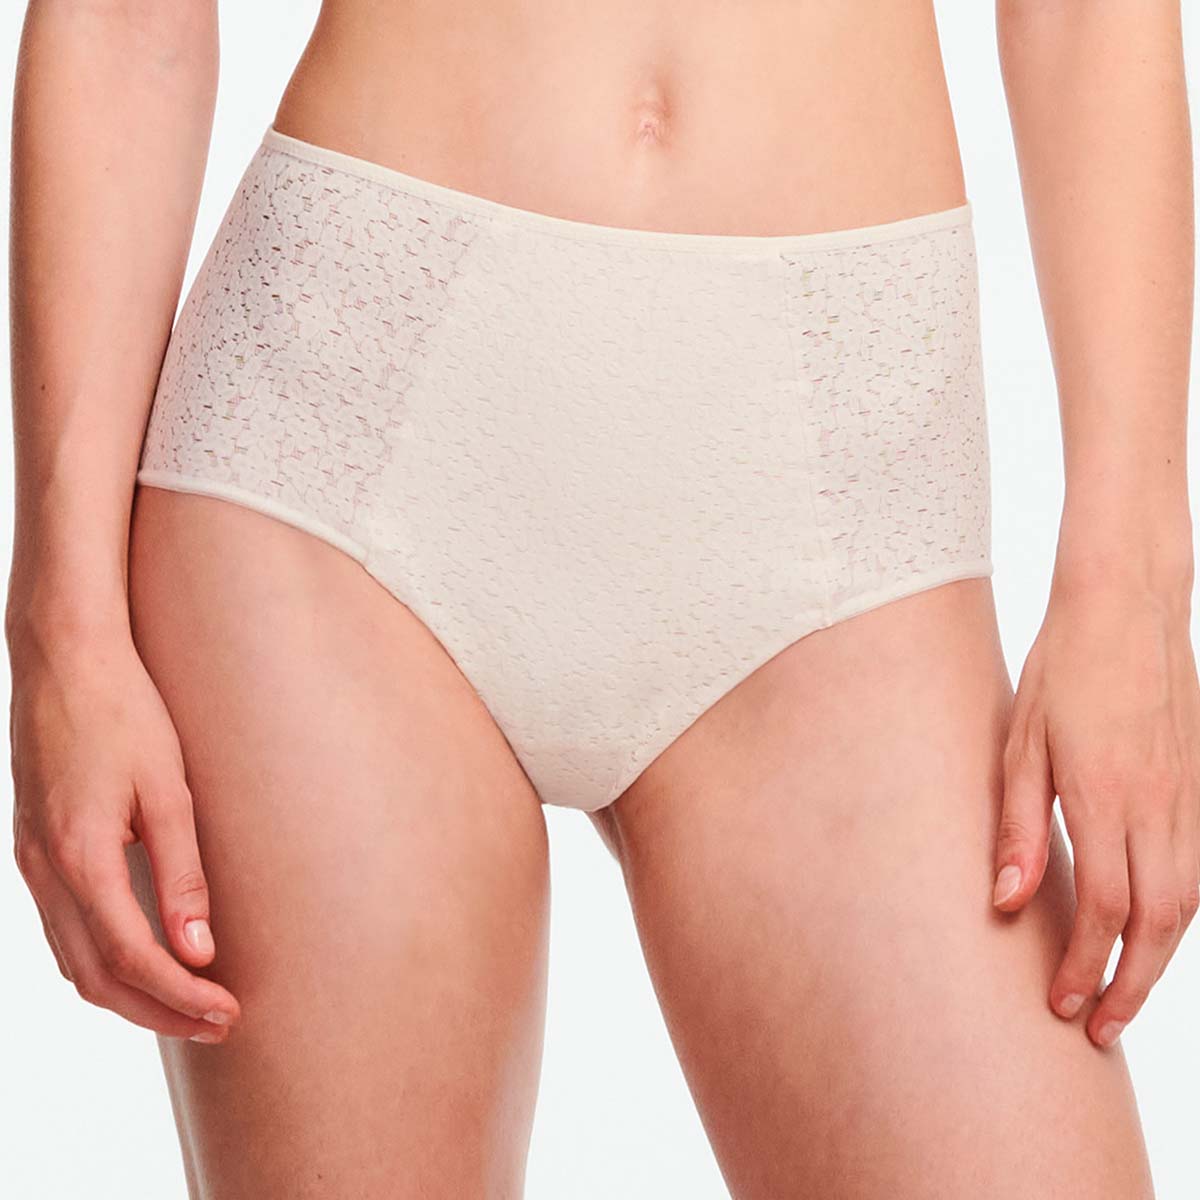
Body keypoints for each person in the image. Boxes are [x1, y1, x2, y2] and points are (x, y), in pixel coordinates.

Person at [8, 1, 1196, 1196]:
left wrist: (1133, 589)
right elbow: (127, 22)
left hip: (836, 475)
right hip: (349, 425)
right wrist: (63, 626)